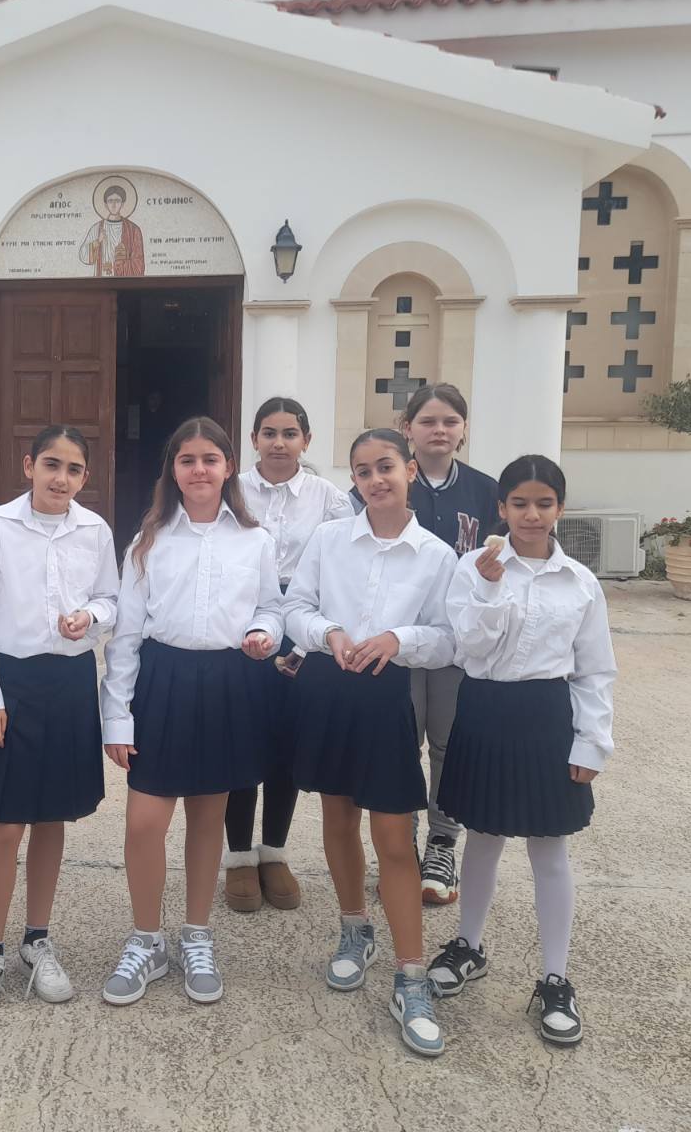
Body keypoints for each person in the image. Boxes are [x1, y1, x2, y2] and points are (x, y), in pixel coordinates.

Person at [430, 455, 615, 1047]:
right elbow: (469, 647)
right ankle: (469, 945)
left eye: (543, 503)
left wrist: (592, 741)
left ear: (560, 508)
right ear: (501, 507)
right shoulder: (472, 567)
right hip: (485, 709)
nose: (531, 515)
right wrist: (488, 586)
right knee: (483, 837)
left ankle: (555, 978)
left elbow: (595, 669)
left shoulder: (580, 582)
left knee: (550, 848)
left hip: (545, 717)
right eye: (519, 503)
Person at [284, 428, 458, 1058]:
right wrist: (328, 632)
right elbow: (294, 608)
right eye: (362, 471)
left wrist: (397, 639)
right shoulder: (330, 539)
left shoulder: (437, 555)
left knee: (393, 836)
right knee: (337, 818)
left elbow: (449, 637)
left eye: (385, 466)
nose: (375, 480)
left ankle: (411, 976)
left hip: (388, 697)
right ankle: (355, 928)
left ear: (409, 469)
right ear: (353, 481)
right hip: (329, 688)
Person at [99, 418, 283, 1007]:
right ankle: (146, 939)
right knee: (144, 822)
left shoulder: (255, 540)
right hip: (164, 681)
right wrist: (117, 716)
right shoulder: (148, 540)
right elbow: (126, 636)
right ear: (173, 471)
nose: (199, 469)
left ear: (229, 467)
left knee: (208, 820)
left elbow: (272, 607)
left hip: (228, 683)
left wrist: (263, 632)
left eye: (210, 459)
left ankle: (196, 934)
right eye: (187, 460)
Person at [0, 425, 119, 1019]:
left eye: (73, 469)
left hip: (69, 684)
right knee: (5, 823)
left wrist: (89, 616)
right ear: (28, 466)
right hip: (12, 685)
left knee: (52, 818)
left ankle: (37, 939)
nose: (60, 478)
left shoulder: (94, 530)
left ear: (84, 477)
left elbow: (112, 600)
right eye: (51, 464)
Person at [224, 397, 353, 914]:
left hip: (304, 625)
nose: (279, 443)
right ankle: (238, 855)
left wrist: (305, 641)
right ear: (253, 439)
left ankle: (273, 851)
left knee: (285, 743)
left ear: (306, 440)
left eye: (290, 433)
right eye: (269, 433)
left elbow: (340, 571)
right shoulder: (231, 490)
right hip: (243, 622)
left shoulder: (330, 499)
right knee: (241, 738)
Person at [398, 383, 499, 906]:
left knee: (446, 743)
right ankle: (399, 845)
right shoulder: (389, 482)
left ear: (463, 429)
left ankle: (441, 843)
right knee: (400, 741)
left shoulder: (486, 491)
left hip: (459, 642)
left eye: (450, 421)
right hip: (396, 638)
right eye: (428, 421)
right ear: (407, 428)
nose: (439, 430)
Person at [78, 183, 146, 277]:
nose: (114, 205)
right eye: (110, 201)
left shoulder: (133, 230)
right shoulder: (96, 228)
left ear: (122, 204)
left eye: (117, 201)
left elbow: (139, 264)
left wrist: (122, 261)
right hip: (102, 278)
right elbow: (83, 256)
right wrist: (97, 242)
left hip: (124, 281)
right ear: (105, 204)